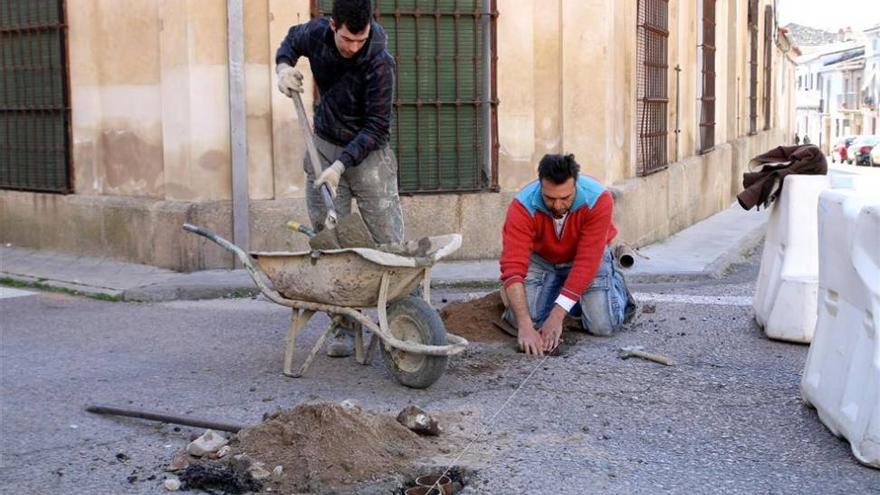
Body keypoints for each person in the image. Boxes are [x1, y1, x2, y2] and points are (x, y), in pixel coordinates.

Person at [276, 0, 403, 357]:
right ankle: (344, 326)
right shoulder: (316, 33)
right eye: (347, 39)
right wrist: (283, 68)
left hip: (368, 155)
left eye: (360, 40)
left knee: (388, 241)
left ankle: (399, 321)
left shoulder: (379, 61)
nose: (353, 48)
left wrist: (342, 165)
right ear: (333, 26)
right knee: (331, 240)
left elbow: (377, 126)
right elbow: (290, 42)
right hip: (323, 144)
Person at [499, 154, 636, 356]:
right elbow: (512, 266)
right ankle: (566, 292)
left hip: (585, 257)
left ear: (575, 186)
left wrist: (557, 316)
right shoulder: (522, 206)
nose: (557, 205)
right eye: (550, 198)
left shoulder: (598, 199)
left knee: (602, 326)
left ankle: (615, 285)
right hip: (543, 260)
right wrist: (525, 326)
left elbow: (586, 263)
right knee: (523, 320)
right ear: (540, 186)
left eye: (565, 198)